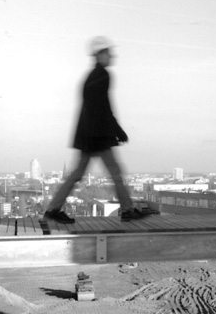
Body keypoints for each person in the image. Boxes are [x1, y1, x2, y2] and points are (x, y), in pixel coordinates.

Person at [44, 36, 147, 224]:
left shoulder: (92, 76)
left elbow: (96, 107)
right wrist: (117, 130)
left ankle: (53, 209)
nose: (111, 56)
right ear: (99, 55)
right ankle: (127, 210)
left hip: (89, 135)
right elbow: (103, 107)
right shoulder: (102, 75)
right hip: (97, 136)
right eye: (107, 53)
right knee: (115, 172)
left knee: (77, 175)